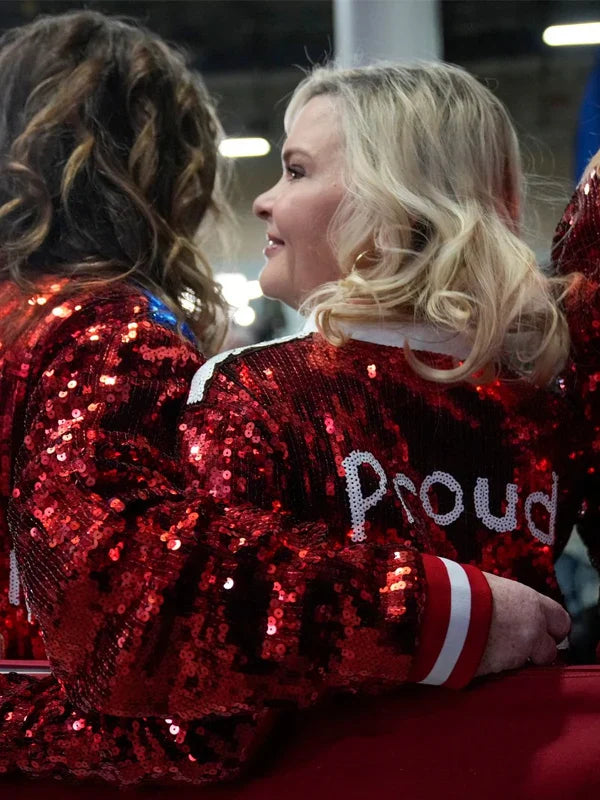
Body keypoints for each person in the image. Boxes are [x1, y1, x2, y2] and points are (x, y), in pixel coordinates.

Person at [0, 12, 436, 787]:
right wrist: (429, 612)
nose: (262, 201)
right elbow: (151, 645)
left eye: (295, 171)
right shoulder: (111, 328)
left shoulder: (39, 316)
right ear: (160, 163)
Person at [182, 61, 582, 691]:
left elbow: (217, 643)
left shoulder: (256, 390)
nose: (262, 200)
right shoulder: (544, 397)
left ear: (390, 201)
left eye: (296, 170)